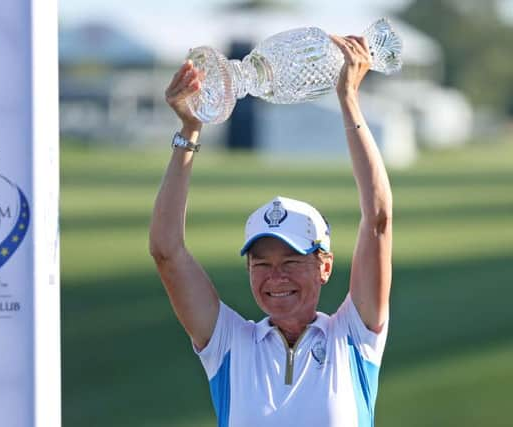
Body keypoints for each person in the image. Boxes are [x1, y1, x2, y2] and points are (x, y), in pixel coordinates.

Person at [149, 34, 392, 427]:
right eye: (260, 263)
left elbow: (378, 220)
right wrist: (189, 130)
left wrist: (348, 100)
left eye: (292, 259)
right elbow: (166, 251)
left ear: (324, 266)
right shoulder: (229, 344)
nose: (275, 277)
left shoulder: (352, 338)